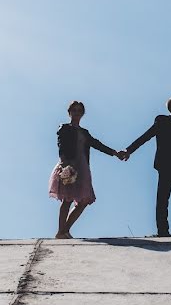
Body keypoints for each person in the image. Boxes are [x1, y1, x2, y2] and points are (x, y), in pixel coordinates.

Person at [119, 97, 171, 237]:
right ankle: (164, 231)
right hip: (165, 165)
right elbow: (147, 136)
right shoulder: (163, 120)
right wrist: (129, 150)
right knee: (164, 198)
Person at [49, 100, 119, 239]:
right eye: (74, 110)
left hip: (83, 167)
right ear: (69, 113)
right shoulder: (64, 128)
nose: (76, 113)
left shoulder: (84, 132)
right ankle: (61, 232)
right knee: (67, 199)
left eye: (79, 110)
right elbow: (61, 145)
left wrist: (115, 152)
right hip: (68, 164)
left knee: (84, 200)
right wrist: (64, 164)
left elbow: (97, 144)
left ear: (82, 113)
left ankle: (64, 230)